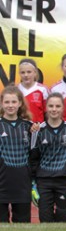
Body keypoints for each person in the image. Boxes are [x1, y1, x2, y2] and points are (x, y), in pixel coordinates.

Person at [30, 93, 66, 222]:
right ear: (46, 107)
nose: (54, 109)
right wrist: (32, 182)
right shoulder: (38, 130)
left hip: (65, 181)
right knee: (45, 217)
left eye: (58, 106)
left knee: (64, 217)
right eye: (51, 106)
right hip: (44, 182)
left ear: (63, 108)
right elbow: (33, 158)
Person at [0, 86, 33, 223]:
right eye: (7, 102)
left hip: (22, 185)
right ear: (2, 103)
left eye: (14, 102)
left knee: (23, 228)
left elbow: (34, 155)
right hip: (2, 184)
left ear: (20, 103)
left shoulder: (29, 126)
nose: (10, 105)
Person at [17, 58, 49, 123]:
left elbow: (48, 112)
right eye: (23, 72)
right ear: (19, 74)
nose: (26, 75)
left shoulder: (43, 89)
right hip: (20, 129)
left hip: (38, 129)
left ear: (35, 73)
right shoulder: (16, 89)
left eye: (29, 72)